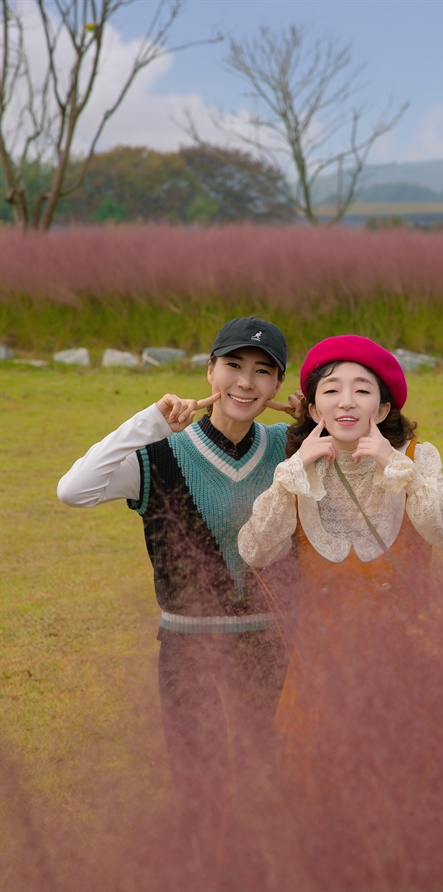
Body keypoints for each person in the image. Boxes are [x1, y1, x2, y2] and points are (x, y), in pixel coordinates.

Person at [57, 317, 300, 875]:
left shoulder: (289, 446)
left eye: (263, 372)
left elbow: (372, 447)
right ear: (210, 370)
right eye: (233, 366)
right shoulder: (161, 455)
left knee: (269, 790)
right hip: (189, 655)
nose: (246, 383)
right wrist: (148, 422)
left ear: (278, 384)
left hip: (273, 650)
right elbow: (73, 490)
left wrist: (311, 415)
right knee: (203, 792)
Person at [238, 334, 443, 745]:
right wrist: (292, 475)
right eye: (331, 390)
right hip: (318, 679)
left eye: (362, 390)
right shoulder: (297, 470)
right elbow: (255, 551)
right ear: (314, 409)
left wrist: (397, 466)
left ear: (382, 407)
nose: (346, 402)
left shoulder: (416, 458)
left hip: (405, 671)